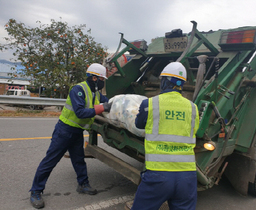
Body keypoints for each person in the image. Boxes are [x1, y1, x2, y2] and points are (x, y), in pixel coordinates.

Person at [29, 63, 112, 209]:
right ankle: (36, 191)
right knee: (50, 161)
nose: (102, 81)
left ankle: (83, 184)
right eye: (101, 79)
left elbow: (107, 102)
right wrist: (102, 108)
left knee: (79, 160)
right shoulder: (78, 90)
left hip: (77, 132)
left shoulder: (96, 93)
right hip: (64, 131)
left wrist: (117, 103)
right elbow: (80, 112)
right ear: (94, 78)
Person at [131, 62, 199, 210]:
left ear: (164, 81)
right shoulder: (193, 108)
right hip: (187, 176)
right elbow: (194, 131)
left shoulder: (149, 104)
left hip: (158, 175)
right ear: (181, 85)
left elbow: (139, 124)